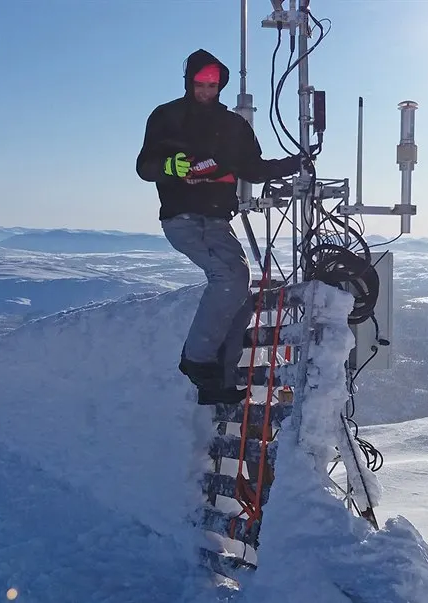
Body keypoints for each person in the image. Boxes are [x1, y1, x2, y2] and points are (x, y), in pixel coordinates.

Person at [136, 48, 300, 404]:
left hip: (217, 219)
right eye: (200, 83)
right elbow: (145, 166)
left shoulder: (233, 126)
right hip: (183, 218)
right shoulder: (167, 117)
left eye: (213, 84)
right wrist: (172, 167)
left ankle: (218, 385)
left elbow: (253, 169)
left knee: (240, 293)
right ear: (189, 81)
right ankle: (196, 360)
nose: (207, 90)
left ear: (221, 83)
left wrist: (294, 164)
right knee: (230, 279)